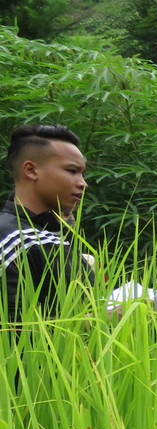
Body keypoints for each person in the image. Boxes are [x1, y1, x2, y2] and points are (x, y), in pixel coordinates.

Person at [2, 123, 90, 321]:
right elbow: (12, 330)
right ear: (31, 171)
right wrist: (99, 319)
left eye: (82, 174)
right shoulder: (12, 240)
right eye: (72, 171)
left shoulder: (54, 237)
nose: (82, 183)